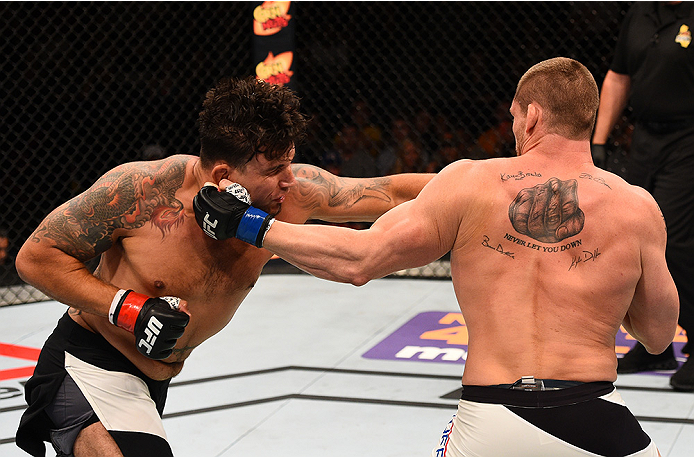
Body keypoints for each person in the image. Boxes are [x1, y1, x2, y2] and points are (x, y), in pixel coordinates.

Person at [194, 58, 679, 457]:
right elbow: (658, 336)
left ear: (531, 116)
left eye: (513, 117)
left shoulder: (470, 181)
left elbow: (358, 260)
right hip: (596, 423)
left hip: (491, 422)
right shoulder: (637, 208)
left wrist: (247, 223)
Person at [14, 76, 433, 457]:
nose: (290, 180)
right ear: (223, 174)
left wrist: (485, 183)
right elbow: (36, 257)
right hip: (88, 363)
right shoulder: (142, 192)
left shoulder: (293, 196)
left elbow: (392, 192)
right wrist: (127, 308)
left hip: (152, 382)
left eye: (290, 163)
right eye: (274, 170)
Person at [591, 0, 694, 391]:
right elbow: (619, 75)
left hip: (689, 138)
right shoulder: (640, 12)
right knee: (633, 237)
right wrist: (599, 139)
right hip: (646, 139)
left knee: (676, 243)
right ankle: (655, 345)